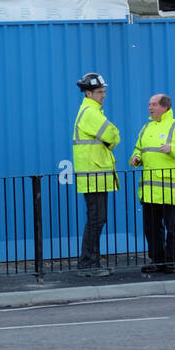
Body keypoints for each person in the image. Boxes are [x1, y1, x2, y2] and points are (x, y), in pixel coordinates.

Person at [130, 93, 175, 274]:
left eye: (153, 104)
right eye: (149, 104)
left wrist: (173, 148)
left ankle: (173, 261)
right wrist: (136, 158)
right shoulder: (146, 128)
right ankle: (157, 260)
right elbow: (138, 148)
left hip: (170, 190)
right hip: (149, 190)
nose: (150, 108)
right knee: (151, 229)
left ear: (165, 107)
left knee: (172, 228)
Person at [72, 72, 120, 277]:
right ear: (89, 93)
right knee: (96, 220)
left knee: (96, 219)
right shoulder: (91, 113)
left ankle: (91, 262)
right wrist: (113, 137)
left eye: (104, 91)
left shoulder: (91, 111)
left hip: (95, 176)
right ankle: (88, 264)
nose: (103, 95)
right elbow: (113, 135)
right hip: (94, 176)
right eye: (100, 92)